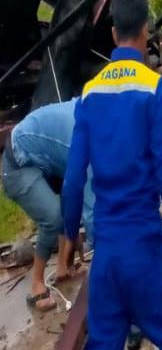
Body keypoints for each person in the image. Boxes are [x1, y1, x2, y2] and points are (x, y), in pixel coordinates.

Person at [62, 0, 162, 348]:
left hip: (105, 258)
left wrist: (70, 231)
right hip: (146, 251)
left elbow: (74, 179)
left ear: (112, 33)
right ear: (145, 32)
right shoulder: (153, 88)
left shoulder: (90, 93)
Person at [2, 99, 93, 313]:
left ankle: (62, 267)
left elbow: (75, 195)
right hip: (18, 165)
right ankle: (36, 287)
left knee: (66, 210)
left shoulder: (95, 117)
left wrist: (73, 233)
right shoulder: (86, 141)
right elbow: (92, 211)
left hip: (48, 159)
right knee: (53, 217)